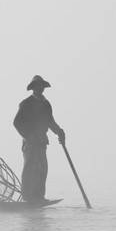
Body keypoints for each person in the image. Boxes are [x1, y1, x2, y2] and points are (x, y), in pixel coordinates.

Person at [13, 75, 67, 203]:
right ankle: (28, 198)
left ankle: (39, 197)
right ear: (33, 88)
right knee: (30, 169)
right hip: (30, 143)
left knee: (42, 169)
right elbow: (17, 123)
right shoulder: (26, 103)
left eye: (42, 86)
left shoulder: (46, 104)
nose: (40, 88)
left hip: (42, 142)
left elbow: (50, 122)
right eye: (37, 86)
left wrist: (59, 131)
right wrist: (29, 136)